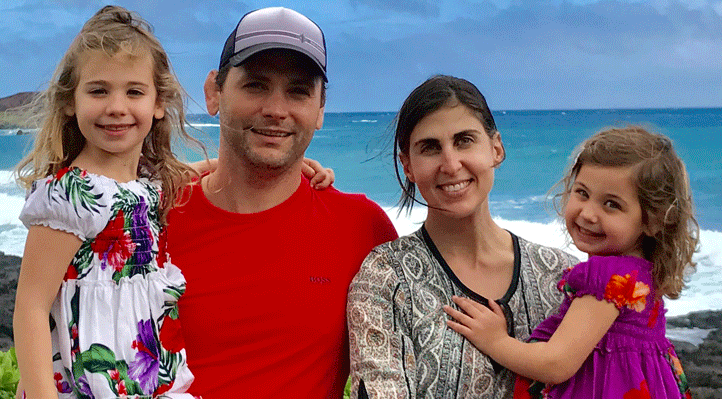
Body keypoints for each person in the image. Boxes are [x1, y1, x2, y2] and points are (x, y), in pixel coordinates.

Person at [164, 7, 398, 399]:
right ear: (213, 92)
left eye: (298, 91)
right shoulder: (150, 215)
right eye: (256, 85)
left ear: (320, 108)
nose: (276, 110)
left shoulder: (362, 226)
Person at [347, 75, 579, 399]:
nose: (451, 164)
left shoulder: (561, 275)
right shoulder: (387, 280)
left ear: (496, 148)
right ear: (408, 166)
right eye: (430, 148)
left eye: (464, 140)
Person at [12, 6, 200, 398]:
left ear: (158, 104)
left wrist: (298, 166)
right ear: (69, 102)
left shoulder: (146, 181)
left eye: (134, 91)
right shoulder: (71, 195)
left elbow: (195, 171)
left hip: (146, 380)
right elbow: (30, 306)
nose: (116, 106)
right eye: (98, 90)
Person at [444, 126, 697, 398]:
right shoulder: (642, 275)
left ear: (653, 220)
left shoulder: (609, 278)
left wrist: (495, 341)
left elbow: (555, 364)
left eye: (611, 204)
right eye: (582, 193)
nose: (588, 213)